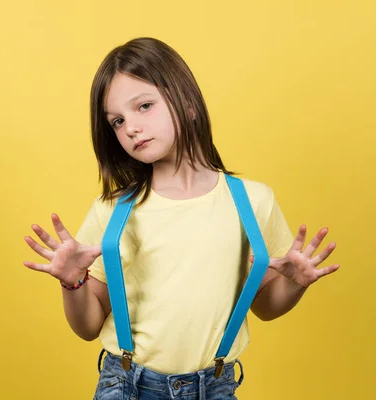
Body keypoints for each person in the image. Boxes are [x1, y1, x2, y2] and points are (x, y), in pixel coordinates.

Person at [23, 37, 340, 399]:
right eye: (117, 121)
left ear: (188, 103)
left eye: (144, 106)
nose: (130, 128)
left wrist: (295, 284)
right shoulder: (112, 210)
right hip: (127, 386)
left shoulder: (252, 202)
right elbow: (88, 326)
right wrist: (72, 282)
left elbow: (266, 306)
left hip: (215, 387)